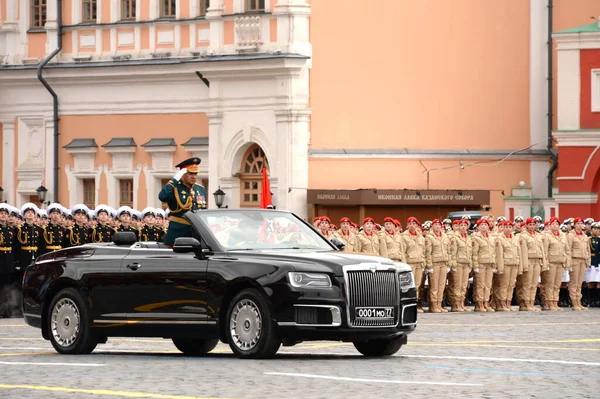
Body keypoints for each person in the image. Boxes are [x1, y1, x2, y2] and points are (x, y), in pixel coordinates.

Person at [159, 157, 207, 245]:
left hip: (196, 233)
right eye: (190, 173)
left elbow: (203, 211)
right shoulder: (175, 187)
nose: (193, 176)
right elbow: (162, 196)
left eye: (195, 173)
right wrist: (175, 179)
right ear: (183, 174)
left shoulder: (200, 189)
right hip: (178, 233)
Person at [542, 217, 571, 311]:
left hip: (560, 262)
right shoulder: (547, 236)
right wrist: (545, 263)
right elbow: (545, 251)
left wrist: (567, 261)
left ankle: (555, 302)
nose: (555, 226)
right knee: (550, 284)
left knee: (557, 284)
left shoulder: (563, 235)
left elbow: (567, 250)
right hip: (551, 262)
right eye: (553, 224)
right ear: (549, 226)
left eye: (557, 224)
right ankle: (549, 302)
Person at [424, 219, 452, 313]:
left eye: (438, 225)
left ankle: (439, 304)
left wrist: (448, 263)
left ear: (441, 226)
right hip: (434, 263)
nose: (437, 226)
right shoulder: (429, 237)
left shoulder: (445, 237)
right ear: (432, 227)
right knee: (434, 286)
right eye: (435, 225)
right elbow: (428, 253)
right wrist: (429, 266)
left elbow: (448, 251)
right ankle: (433, 305)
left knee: (441, 285)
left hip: (443, 263)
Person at [567, 218, 591, 310]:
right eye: (578, 223)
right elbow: (568, 249)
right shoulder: (571, 235)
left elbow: (587, 250)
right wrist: (568, 262)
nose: (580, 225)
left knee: (580, 283)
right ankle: (574, 302)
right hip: (574, 260)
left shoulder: (584, 236)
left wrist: (588, 261)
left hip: (583, 260)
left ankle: (579, 301)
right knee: (574, 282)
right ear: (574, 225)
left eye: (581, 223)